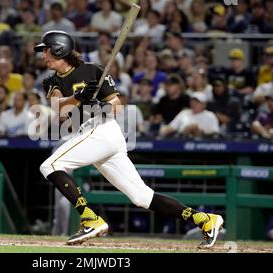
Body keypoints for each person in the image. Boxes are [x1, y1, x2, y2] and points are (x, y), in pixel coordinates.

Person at [34, 30, 223, 248]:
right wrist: (79, 97)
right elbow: (58, 110)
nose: (43, 56)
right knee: (142, 197)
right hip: (89, 135)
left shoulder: (93, 71)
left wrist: (98, 105)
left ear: (60, 49)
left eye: (46, 51)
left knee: (50, 165)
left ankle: (90, 219)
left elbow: (116, 106)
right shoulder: (51, 81)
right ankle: (205, 220)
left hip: (103, 130)